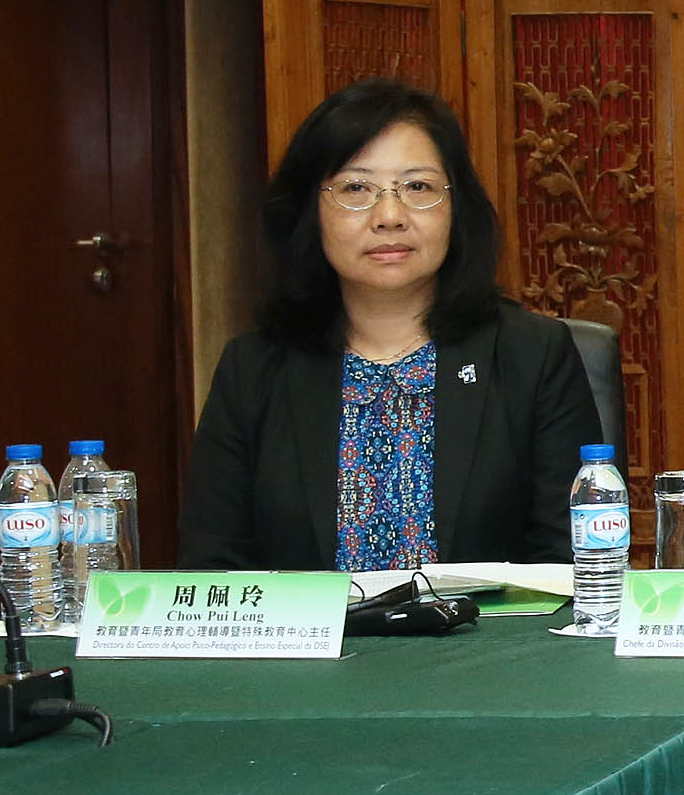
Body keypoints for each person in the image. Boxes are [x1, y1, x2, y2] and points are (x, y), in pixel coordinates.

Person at [183, 78, 606, 569]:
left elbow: (573, 563)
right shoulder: (253, 369)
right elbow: (212, 566)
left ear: (456, 206)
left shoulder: (533, 356)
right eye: (356, 188)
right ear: (309, 211)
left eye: (417, 187)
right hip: (309, 627)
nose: (389, 215)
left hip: (485, 625)